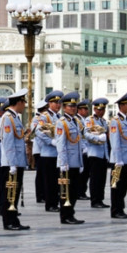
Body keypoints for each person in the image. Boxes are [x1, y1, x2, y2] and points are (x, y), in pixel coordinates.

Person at [0, 88, 30, 231]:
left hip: (17, 161)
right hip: (11, 162)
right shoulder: (7, 118)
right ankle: (8, 221)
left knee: (14, 193)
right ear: (19, 102)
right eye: (24, 102)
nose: (25, 105)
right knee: (9, 193)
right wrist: (12, 163)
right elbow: (8, 142)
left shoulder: (15, 118)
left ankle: (13, 218)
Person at [55, 91, 85, 225]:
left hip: (75, 162)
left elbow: (78, 141)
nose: (72, 108)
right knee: (66, 191)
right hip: (67, 162)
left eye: (74, 106)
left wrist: (81, 160)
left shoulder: (75, 121)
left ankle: (71, 213)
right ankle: (65, 215)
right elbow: (61, 144)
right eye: (69, 106)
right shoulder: (62, 123)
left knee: (74, 191)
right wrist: (63, 162)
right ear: (64, 107)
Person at [36, 90, 63, 212]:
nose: (58, 105)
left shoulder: (58, 117)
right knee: (49, 181)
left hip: (57, 154)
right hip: (48, 153)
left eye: (59, 102)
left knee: (56, 181)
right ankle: (50, 204)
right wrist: (50, 141)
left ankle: (54, 202)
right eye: (55, 102)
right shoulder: (44, 116)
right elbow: (38, 131)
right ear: (49, 104)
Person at [109, 91, 127, 219]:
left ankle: (121, 209)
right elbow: (115, 142)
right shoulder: (116, 121)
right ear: (122, 106)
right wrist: (118, 160)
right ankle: (115, 210)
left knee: (123, 186)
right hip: (118, 160)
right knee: (117, 187)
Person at [84, 98, 110, 208]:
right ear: (94, 109)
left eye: (103, 109)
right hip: (94, 152)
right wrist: (98, 138)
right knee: (95, 178)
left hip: (103, 153)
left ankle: (100, 199)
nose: (101, 111)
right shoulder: (90, 120)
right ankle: (95, 200)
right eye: (99, 109)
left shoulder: (103, 121)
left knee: (102, 179)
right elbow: (86, 134)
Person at [31, 99, 48, 204]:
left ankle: (45, 194)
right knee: (41, 174)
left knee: (45, 174)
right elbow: (37, 134)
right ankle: (40, 195)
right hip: (39, 150)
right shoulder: (37, 119)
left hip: (45, 150)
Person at [76, 99, 91, 200]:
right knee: (81, 174)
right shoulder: (77, 120)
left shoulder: (84, 120)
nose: (87, 110)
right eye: (84, 109)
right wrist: (83, 148)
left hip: (86, 149)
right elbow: (79, 137)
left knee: (86, 173)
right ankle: (80, 192)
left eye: (87, 108)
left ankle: (82, 191)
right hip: (80, 150)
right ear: (79, 110)